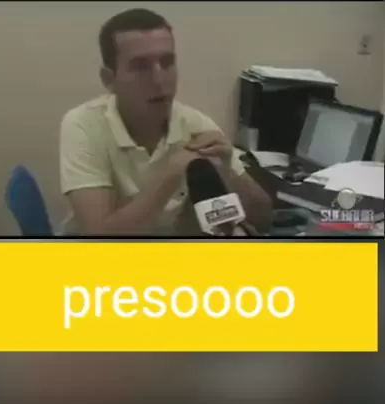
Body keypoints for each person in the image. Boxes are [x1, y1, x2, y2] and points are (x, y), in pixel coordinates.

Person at [60, 8, 272, 236]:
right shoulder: (83, 125)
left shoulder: (195, 125)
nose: (159, 79)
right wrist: (170, 175)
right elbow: (99, 237)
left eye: (167, 62)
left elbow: (264, 219)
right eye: (140, 66)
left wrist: (228, 171)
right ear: (109, 79)